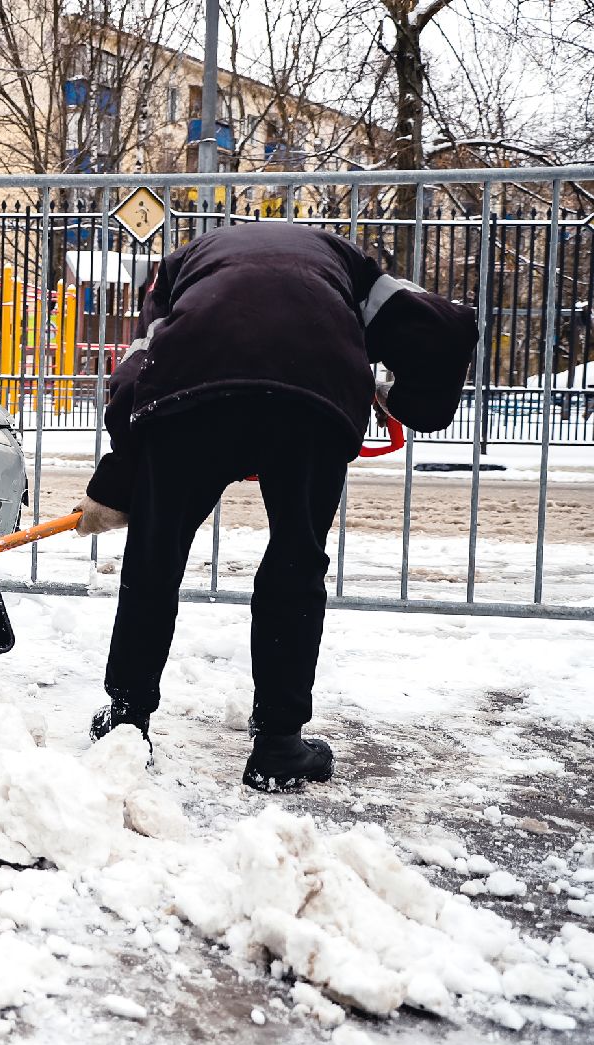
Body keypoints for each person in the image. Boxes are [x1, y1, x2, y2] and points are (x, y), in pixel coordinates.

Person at [75, 222, 479, 790]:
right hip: (312, 394)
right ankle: (278, 746)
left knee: (154, 556)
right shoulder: (348, 264)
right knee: (296, 559)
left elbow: (137, 375)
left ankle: (126, 722)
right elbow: (444, 327)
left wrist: (119, 484)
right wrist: (409, 402)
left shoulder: (177, 268)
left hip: (192, 393)